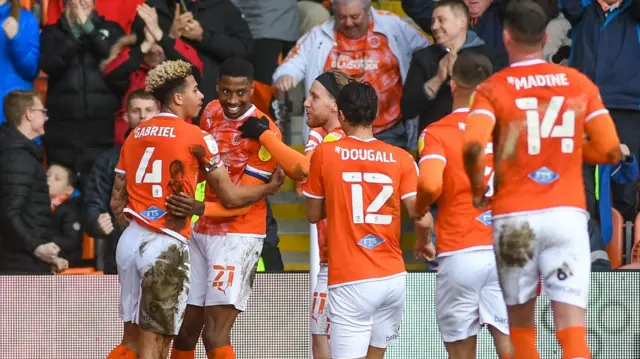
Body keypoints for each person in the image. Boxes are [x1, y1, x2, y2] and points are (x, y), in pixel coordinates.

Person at [462, 1, 621, 358]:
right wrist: (568, 150)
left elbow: (473, 147)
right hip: (566, 216)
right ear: (546, 36)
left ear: (506, 37)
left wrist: (477, 190)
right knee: (572, 334)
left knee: (521, 335)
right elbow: (610, 149)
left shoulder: (492, 88)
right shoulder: (577, 83)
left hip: (515, 220)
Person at [108, 59, 283, 359]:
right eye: (195, 90)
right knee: (156, 346)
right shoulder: (197, 136)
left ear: (252, 91)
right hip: (166, 243)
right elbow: (228, 194)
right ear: (178, 97)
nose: (202, 97)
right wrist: (271, 189)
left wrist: (139, 221)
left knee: (134, 341)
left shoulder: (134, 134)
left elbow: (116, 201)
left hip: (131, 240)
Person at [304, 81, 433, 359]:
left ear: (341, 115)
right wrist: (424, 243)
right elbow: (421, 216)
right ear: (375, 114)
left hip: (351, 279)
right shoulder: (400, 158)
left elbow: (313, 215)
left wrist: (341, 202)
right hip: (392, 278)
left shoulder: (326, 153)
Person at [167, 57, 282, 359]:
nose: (233, 100)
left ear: (253, 89)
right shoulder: (210, 112)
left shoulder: (266, 131)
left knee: (214, 333)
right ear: (217, 88)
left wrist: (199, 208)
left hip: (237, 235)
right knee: (185, 331)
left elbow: (237, 198)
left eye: (241, 93)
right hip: (201, 230)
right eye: (226, 92)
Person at [238, 69, 351, 359]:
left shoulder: (338, 140)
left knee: (331, 348)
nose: (305, 102)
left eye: (314, 96)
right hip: (335, 263)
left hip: (345, 268)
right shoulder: (330, 138)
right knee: (321, 344)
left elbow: (301, 168)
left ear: (336, 105)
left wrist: (265, 135)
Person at [415, 51, 511, 359]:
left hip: (459, 251)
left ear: (453, 86)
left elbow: (430, 184)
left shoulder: (436, 133)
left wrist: (420, 210)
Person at [84, 89, 159, 275]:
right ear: (126, 116)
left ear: (159, 113)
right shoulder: (109, 160)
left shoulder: (175, 153)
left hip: (164, 251)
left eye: (148, 110)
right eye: (136, 110)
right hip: (121, 252)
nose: (143, 116)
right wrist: (95, 221)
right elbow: (93, 204)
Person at [0, 90, 68, 274]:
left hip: (25, 260)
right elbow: (9, 212)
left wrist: (46, 257)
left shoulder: (20, 152)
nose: (46, 117)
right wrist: (37, 248)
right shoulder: (16, 157)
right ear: (29, 114)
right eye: (42, 111)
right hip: (18, 265)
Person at [48, 162, 83, 269]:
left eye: (57, 178)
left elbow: (71, 241)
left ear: (69, 189)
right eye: (47, 175)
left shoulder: (70, 209)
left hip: (66, 260)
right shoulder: (36, 204)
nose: (49, 179)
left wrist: (43, 238)